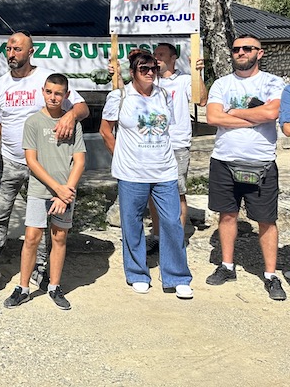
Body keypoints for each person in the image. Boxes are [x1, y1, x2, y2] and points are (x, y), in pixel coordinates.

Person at [0, 32, 88, 284]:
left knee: (40, 220)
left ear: (31, 52)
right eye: (9, 49)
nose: (11, 54)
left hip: (44, 166)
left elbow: (82, 108)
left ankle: (39, 268)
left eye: (18, 49)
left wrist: (70, 115)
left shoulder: (46, 80)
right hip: (9, 162)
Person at [99, 49, 193, 299]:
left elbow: (166, 129)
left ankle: (177, 276)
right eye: (144, 69)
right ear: (133, 72)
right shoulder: (119, 96)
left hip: (164, 170)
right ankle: (138, 273)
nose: (150, 73)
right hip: (132, 173)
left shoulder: (164, 94)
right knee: (132, 223)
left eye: (154, 68)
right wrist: (120, 155)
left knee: (172, 222)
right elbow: (106, 131)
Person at [204, 35, 286, 301]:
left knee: (266, 220)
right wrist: (254, 116)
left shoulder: (273, 82)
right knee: (227, 215)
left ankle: (270, 275)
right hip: (224, 160)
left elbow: (272, 114)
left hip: (261, 162)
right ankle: (227, 266)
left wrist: (232, 112)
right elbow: (213, 117)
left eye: (247, 48)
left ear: (259, 53)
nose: (241, 53)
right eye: (236, 49)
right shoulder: (221, 83)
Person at [4, 74, 85, 311]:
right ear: (42, 91)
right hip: (40, 190)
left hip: (66, 191)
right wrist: (56, 189)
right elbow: (31, 160)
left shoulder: (74, 124)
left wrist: (65, 192)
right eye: (49, 92)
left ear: (66, 95)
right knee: (32, 237)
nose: (53, 97)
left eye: (58, 93)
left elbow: (79, 161)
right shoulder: (33, 122)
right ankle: (23, 287)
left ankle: (54, 286)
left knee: (59, 237)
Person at [145, 43, 207, 251]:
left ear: (173, 58)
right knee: (153, 193)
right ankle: (157, 235)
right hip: (152, 145)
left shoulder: (184, 80)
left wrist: (197, 73)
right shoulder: (148, 80)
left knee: (177, 192)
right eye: (155, 54)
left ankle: (175, 241)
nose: (157, 58)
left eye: (161, 54)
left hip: (177, 145)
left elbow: (202, 100)